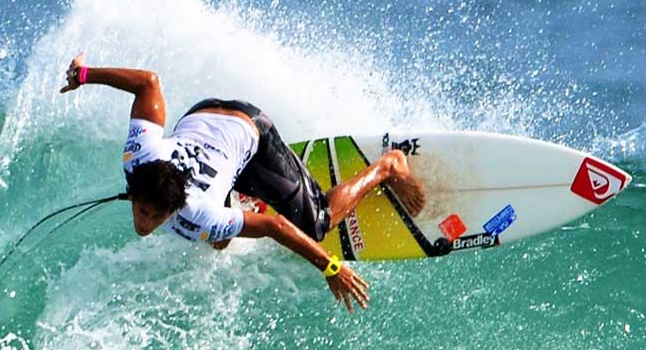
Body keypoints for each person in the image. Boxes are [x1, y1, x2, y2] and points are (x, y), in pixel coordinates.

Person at [59, 53, 425, 313]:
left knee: (318, 224)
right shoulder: (139, 156)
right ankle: (237, 191)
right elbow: (147, 84)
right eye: (143, 211)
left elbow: (274, 226)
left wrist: (330, 266)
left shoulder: (198, 212)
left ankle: (388, 167)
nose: (144, 224)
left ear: (174, 206)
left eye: (154, 217)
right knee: (219, 242)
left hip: (252, 131)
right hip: (203, 114)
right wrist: (84, 75)